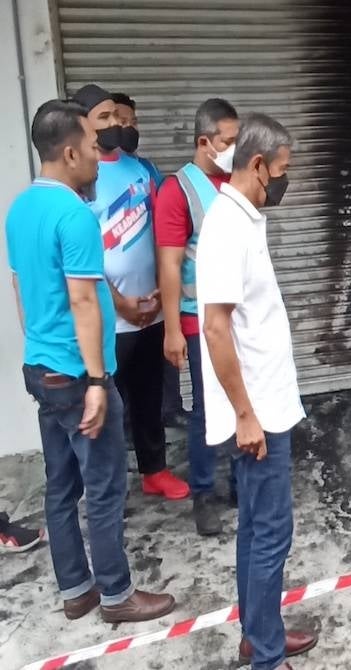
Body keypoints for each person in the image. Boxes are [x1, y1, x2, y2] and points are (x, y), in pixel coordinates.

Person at [6, 98, 175, 622]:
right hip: (79, 375)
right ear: (72, 150)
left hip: (41, 369)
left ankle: (75, 591)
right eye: (91, 144)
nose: (99, 155)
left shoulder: (20, 208)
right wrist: (98, 380)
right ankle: (117, 596)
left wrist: (40, 345)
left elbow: (21, 287)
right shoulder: (74, 215)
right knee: (102, 489)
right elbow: (84, 300)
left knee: (61, 488)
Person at [199, 113, 316, 670]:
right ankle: (267, 658)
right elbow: (215, 327)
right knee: (271, 533)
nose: (285, 181)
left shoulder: (246, 217)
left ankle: (257, 632)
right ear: (258, 164)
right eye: (283, 170)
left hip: (268, 401)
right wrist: (246, 415)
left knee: (256, 528)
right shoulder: (226, 225)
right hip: (258, 412)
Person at [70, 84, 189, 502]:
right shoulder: (84, 180)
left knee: (149, 396)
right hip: (110, 316)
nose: (117, 125)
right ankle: (107, 489)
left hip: (153, 307)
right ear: (84, 126)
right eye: (105, 119)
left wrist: (162, 289)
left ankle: (154, 470)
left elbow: (163, 230)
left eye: (119, 118)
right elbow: (80, 254)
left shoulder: (142, 169)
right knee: (106, 406)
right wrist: (119, 301)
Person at [154, 97, 240, 536]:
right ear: (204, 142)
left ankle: (241, 484)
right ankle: (204, 492)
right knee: (208, 408)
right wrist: (171, 328)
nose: (235, 148)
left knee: (245, 397)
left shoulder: (236, 181)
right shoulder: (178, 191)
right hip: (199, 318)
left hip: (239, 314)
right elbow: (169, 264)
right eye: (227, 141)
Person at [112, 91, 188, 429]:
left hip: (154, 287)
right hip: (115, 302)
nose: (128, 128)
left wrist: (164, 279)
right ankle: (125, 428)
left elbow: (164, 219)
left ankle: (169, 411)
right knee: (120, 373)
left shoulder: (145, 169)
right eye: (121, 122)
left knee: (160, 359)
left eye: (133, 122)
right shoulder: (90, 176)